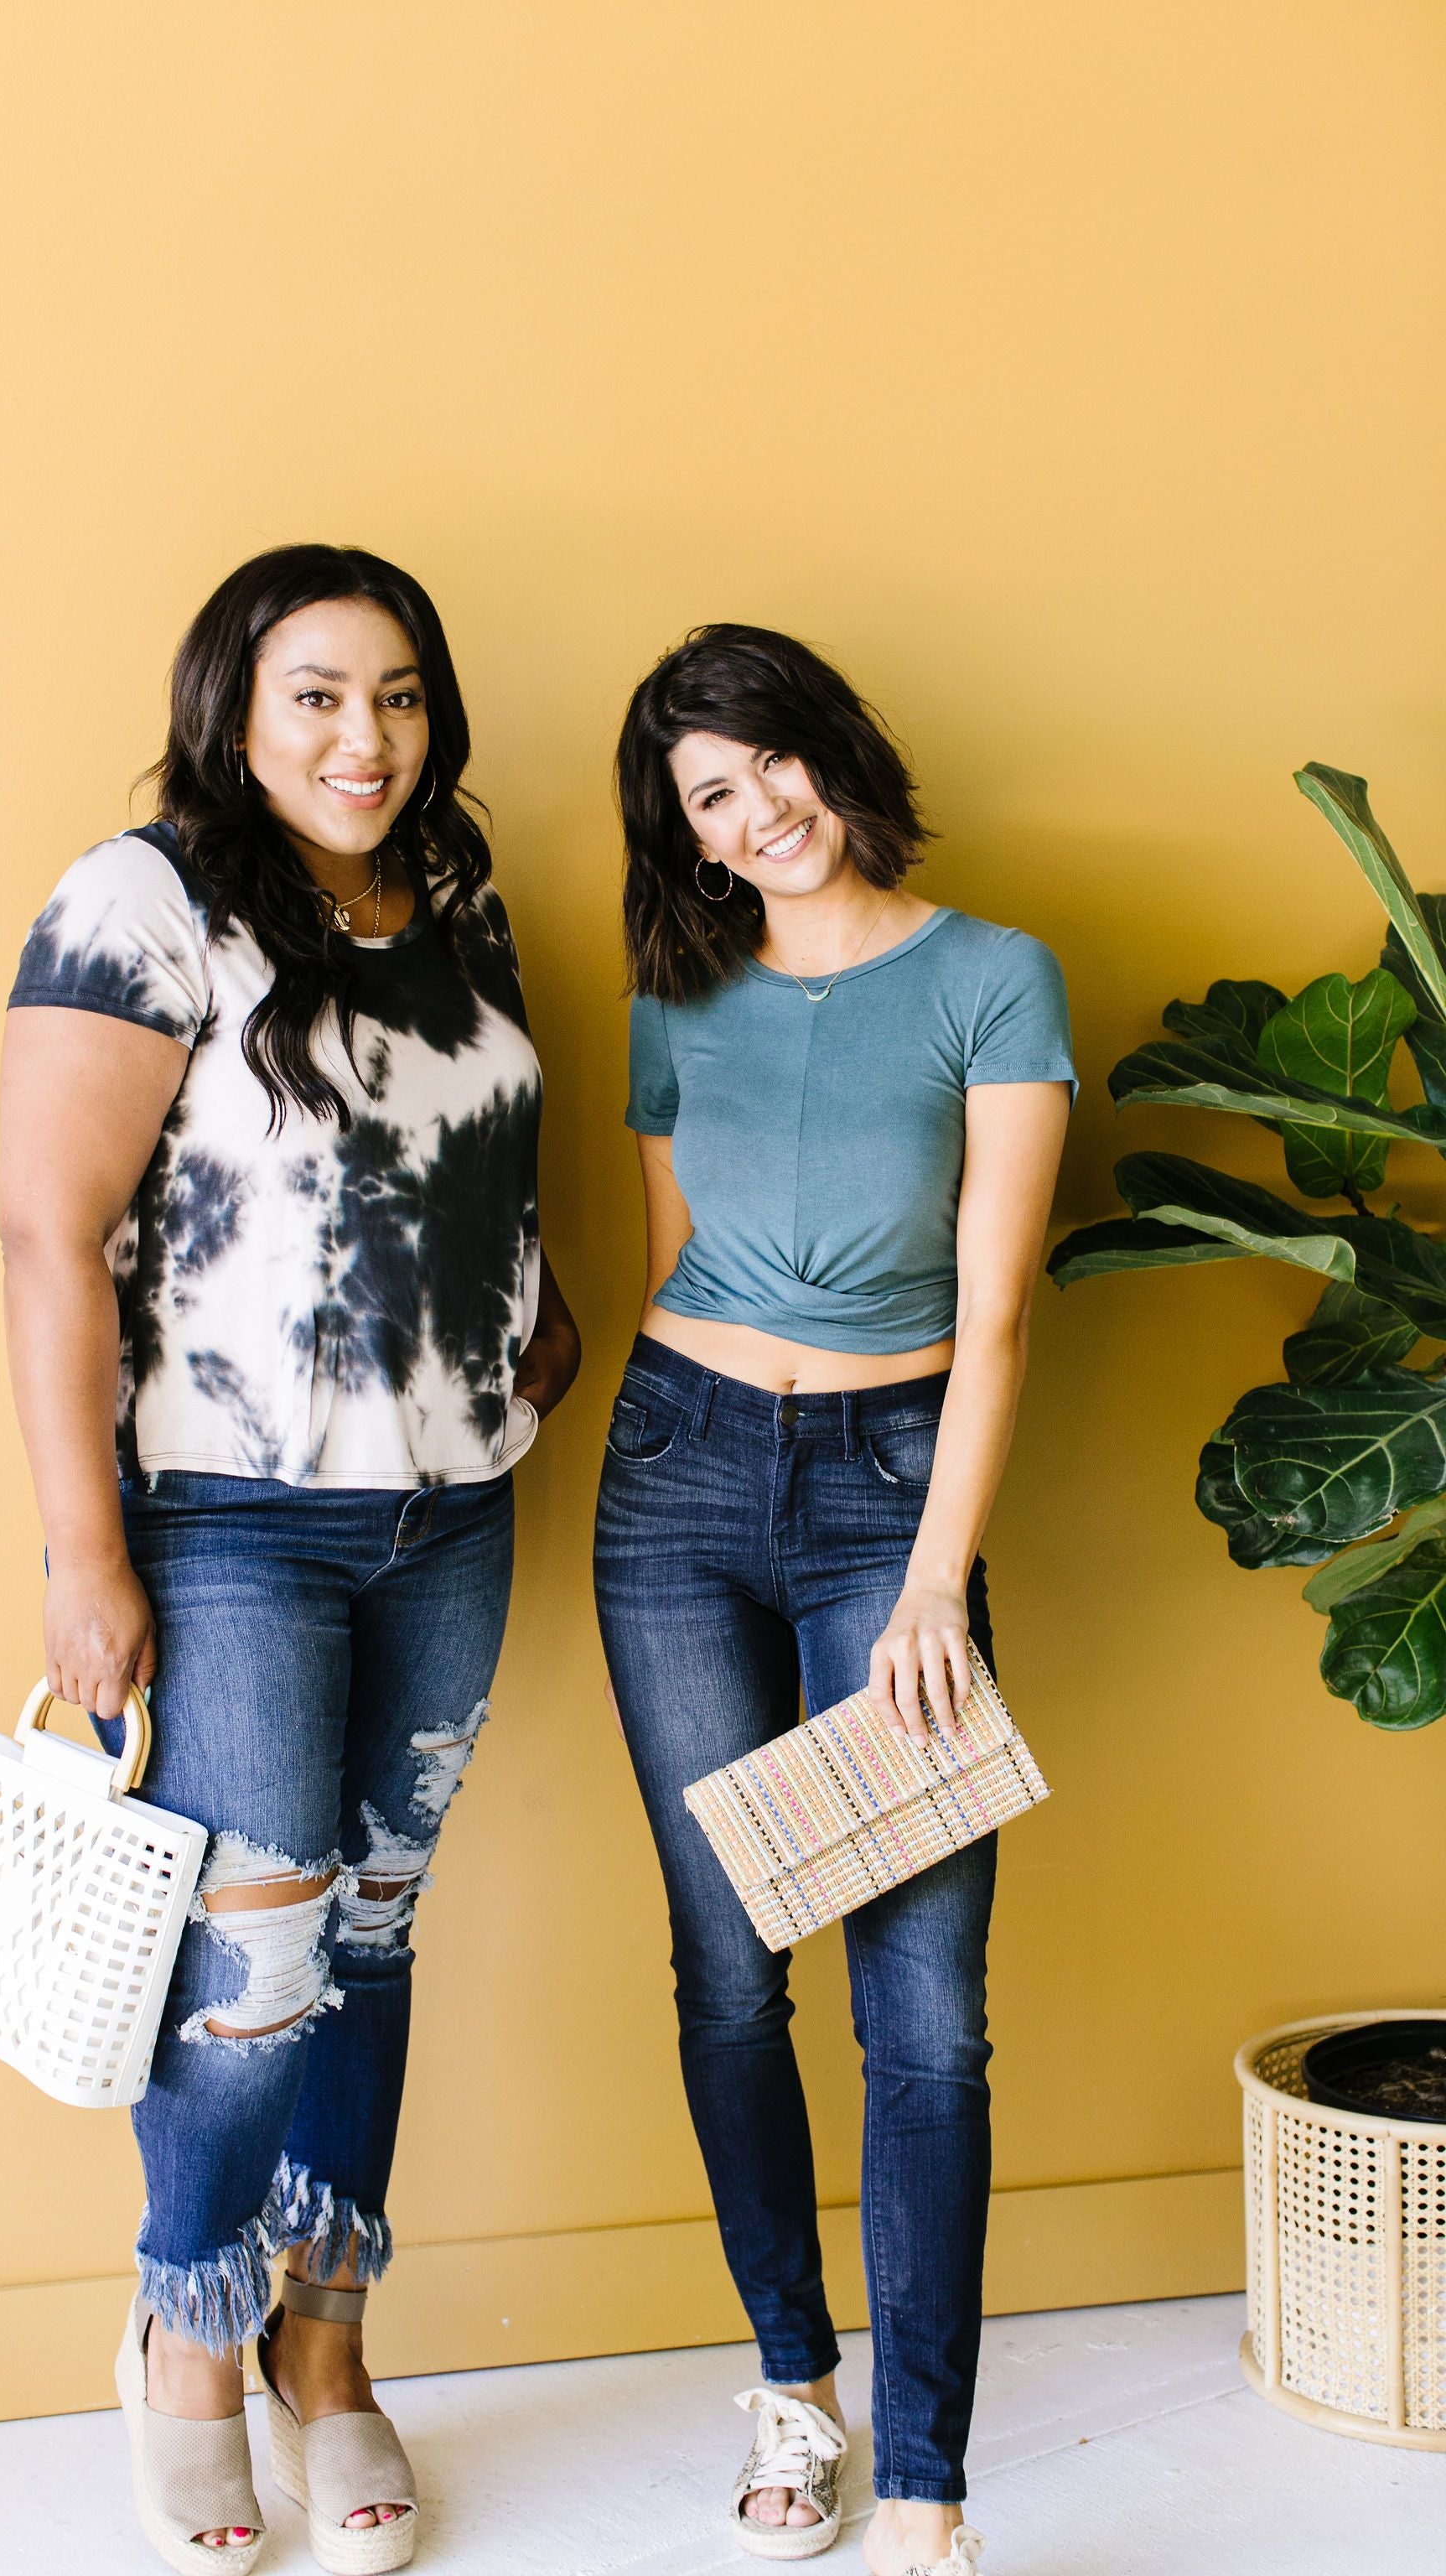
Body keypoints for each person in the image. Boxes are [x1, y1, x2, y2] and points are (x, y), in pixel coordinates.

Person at [0, 543, 579, 2574]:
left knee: (370, 1946)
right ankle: (188, 2334)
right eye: (320, 693)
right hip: (230, 1518)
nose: (367, 735)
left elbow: (467, 1143)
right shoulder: (144, 900)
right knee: (248, 1975)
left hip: (450, 1512)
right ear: (236, 706)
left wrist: (533, 1308)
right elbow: (46, 1236)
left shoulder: (461, 902)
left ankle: (327, 2351)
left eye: (402, 694)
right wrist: (87, 1552)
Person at [593, 626, 1072, 2575]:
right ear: (690, 840)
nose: (757, 808)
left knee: (926, 2015)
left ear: (832, 756)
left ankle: (933, 2485)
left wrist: (934, 1579)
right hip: (679, 1480)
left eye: (770, 760)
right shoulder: (677, 994)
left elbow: (999, 1310)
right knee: (727, 1970)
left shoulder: (989, 977)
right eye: (711, 794)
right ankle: (795, 2396)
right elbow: (673, 1261)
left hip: (894, 1494)